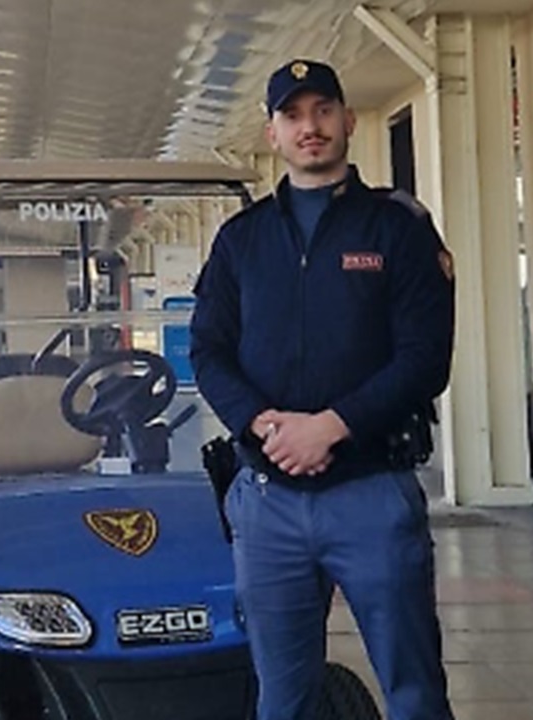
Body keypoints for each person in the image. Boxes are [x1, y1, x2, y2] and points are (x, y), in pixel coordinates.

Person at [190, 59, 456, 720]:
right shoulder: (241, 241)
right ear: (272, 133)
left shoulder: (397, 228)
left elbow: (426, 359)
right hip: (268, 502)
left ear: (349, 121)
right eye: (293, 115)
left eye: (323, 111)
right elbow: (209, 349)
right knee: (282, 700)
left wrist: (330, 425)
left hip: (371, 495)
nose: (310, 127)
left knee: (415, 691)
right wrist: (260, 424)